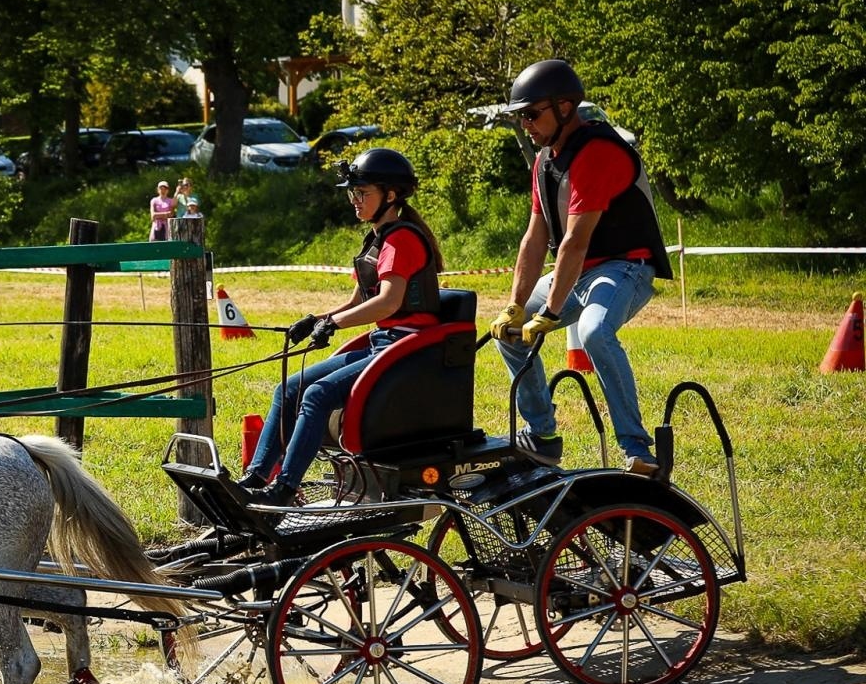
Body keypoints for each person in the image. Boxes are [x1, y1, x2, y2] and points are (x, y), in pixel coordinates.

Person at [488, 59, 673, 476]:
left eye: (532, 114)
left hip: (625, 268)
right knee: (508, 333)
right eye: (521, 117)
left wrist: (550, 313)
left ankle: (639, 451)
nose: (527, 125)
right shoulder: (544, 162)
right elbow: (535, 239)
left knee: (593, 332)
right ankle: (543, 437)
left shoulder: (598, 153)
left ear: (566, 107)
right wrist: (516, 305)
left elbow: (574, 241)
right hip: (579, 273)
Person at [237, 148, 444, 506]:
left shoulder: (401, 240)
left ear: (390, 195)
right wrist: (316, 319)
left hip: (408, 349)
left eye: (363, 193)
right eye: (353, 193)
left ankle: (285, 487)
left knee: (316, 395)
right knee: (288, 389)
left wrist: (333, 323)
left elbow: (388, 303)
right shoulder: (377, 239)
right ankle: (255, 477)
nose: (355, 200)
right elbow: (357, 301)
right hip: (385, 343)